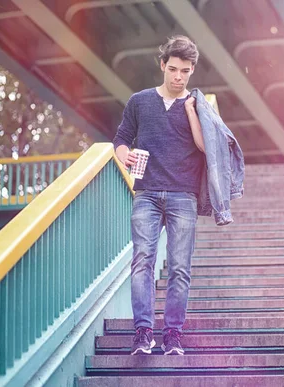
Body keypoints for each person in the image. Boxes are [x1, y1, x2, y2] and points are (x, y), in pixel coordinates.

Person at [113, 36, 204, 356]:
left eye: (186, 71)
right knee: (142, 262)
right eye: (174, 69)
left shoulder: (199, 104)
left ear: (192, 71)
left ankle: (173, 335)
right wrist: (123, 154)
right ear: (163, 65)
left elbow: (207, 148)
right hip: (147, 193)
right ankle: (142, 333)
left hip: (184, 194)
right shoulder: (139, 101)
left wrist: (192, 110)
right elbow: (121, 139)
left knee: (180, 267)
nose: (179, 77)